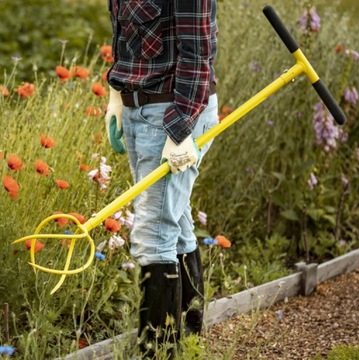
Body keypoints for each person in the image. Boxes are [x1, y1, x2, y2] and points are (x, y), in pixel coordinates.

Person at [105, 0, 218, 357]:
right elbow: (124, 40)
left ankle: (158, 351)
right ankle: (188, 338)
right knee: (175, 219)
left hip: (174, 109)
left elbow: (198, 57)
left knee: (153, 233)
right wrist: (116, 97)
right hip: (138, 108)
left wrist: (180, 129)